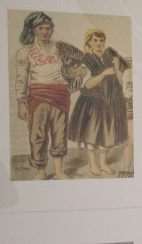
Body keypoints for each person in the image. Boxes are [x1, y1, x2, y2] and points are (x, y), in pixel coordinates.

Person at [13, 11, 82, 180]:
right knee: (38, 134)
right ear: (34, 30)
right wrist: (21, 102)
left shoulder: (62, 48)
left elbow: (78, 63)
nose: (45, 31)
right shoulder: (25, 52)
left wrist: (80, 72)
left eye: (48, 28)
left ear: (52, 30)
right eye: (41, 28)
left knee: (60, 133)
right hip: (38, 97)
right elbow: (21, 79)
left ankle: (58, 171)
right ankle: (41, 172)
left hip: (60, 95)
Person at [67, 29, 130, 177]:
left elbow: (121, 81)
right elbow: (88, 85)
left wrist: (116, 68)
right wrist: (103, 74)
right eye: (95, 40)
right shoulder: (86, 59)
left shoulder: (110, 56)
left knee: (107, 135)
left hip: (110, 102)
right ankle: (93, 165)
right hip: (92, 102)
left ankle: (103, 164)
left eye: (101, 40)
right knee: (92, 135)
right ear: (89, 41)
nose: (99, 43)